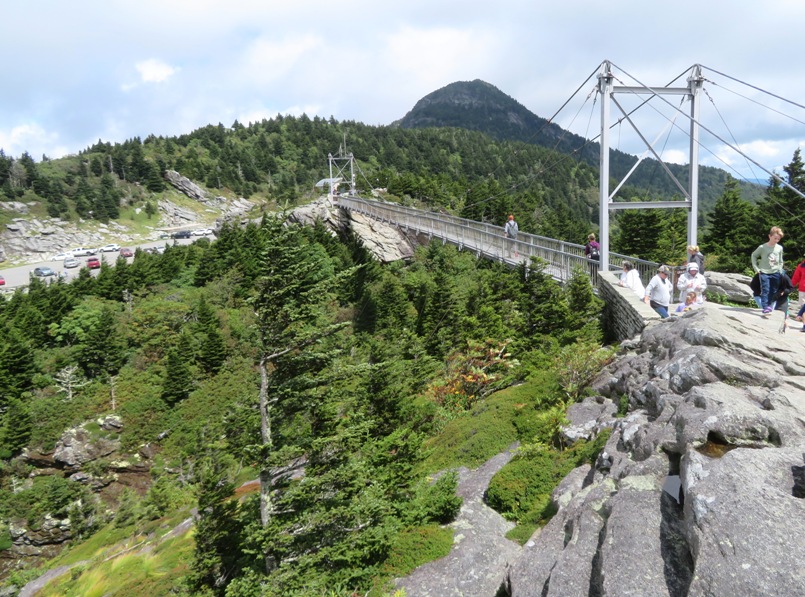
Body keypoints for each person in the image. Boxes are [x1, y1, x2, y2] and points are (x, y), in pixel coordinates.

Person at [750, 226, 785, 315]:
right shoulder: (762, 247)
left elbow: (781, 260)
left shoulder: (779, 248)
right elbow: (754, 255)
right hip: (764, 272)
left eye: (778, 239)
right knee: (765, 289)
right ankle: (765, 307)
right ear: (770, 236)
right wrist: (756, 268)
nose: (776, 240)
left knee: (773, 290)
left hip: (776, 272)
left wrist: (780, 268)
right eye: (775, 238)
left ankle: (769, 306)